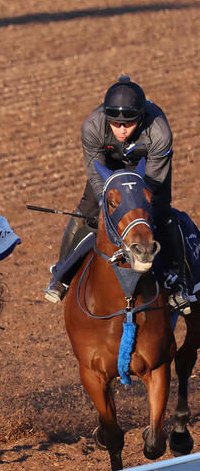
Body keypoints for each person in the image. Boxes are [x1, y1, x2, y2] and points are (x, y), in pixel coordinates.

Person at [43, 75, 190, 312]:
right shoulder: (93, 125)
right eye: (115, 124)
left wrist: (135, 203)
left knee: (161, 213)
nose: (121, 130)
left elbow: (153, 181)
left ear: (141, 118)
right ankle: (61, 275)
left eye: (128, 124)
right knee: (87, 211)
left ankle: (178, 280)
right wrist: (105, 201)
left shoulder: (159, 131)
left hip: (148, 172)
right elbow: (94, 170)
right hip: (107, 169)